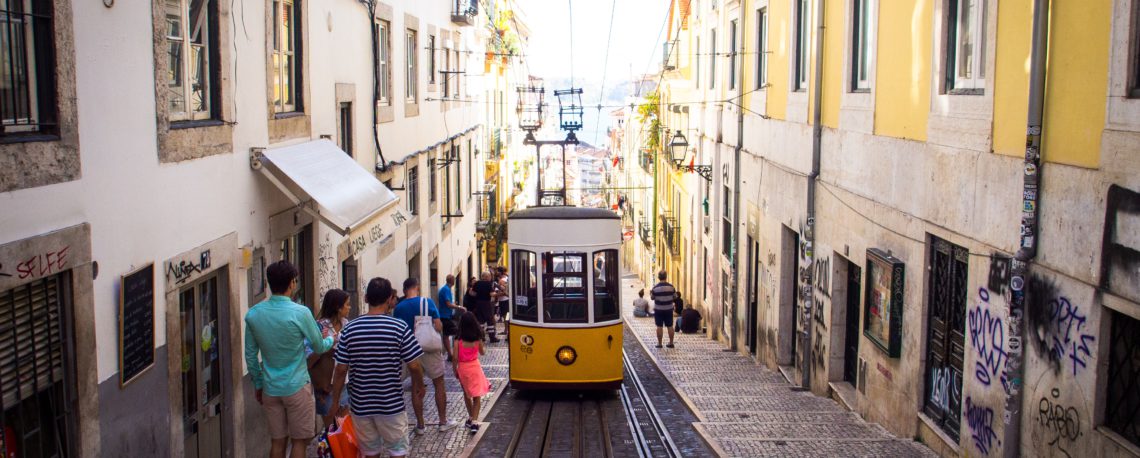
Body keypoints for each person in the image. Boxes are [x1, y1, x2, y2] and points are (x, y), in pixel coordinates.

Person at [326, 278, 425, 458]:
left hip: (361, 406)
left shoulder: (350, 330)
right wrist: (419, 385)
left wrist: (334, 402)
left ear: (365, 298)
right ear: (389, 299)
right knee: (398, 452)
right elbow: (414, 365)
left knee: (370, 454)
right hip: (391, 406)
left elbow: (340, 370)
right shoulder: (399, 327)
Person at [244, 260, 334, 458]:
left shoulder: (253, 314)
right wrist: (330, 339)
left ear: (269, 284)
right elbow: (319, 346)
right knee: (299, 442)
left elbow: (250, 356)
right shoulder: (300, 313)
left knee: (277, 442)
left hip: (270, 388)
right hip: (296, 386)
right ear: (292, 283)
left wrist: (259, 384)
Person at [392, 278, 459, 434]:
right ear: (417, 287)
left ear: (404, 290)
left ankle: (420, 425)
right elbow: (438, 325)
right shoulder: (427, 302)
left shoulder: (399, 308)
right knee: (439, 384)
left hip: (410, 351)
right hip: (429, 349)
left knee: (416, 386)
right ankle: (443, 422)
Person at [309, 289, 351, 419]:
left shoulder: (347, 325)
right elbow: (309, 361)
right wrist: (324, 347)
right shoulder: (318, 327)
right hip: (325, 383)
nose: (349, 308)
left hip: (344, 382)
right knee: (330, 426)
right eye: (347, 304)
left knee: (344, 425)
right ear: (338, 307)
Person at [452, 312, 491, 434]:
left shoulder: (458, 340)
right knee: (477, 396)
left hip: (463, 369)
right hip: (475, 367)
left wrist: (455, 370)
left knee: (467, 394)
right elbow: (483, 353)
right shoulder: (477, 339)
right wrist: (482, 344)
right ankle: (474, 422)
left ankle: (470, 417)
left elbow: (455, 358)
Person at [650, 270, 677, 348]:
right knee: (670, 326)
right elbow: (675, 297)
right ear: (666, 277)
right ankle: (671, 342)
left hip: (659, 310)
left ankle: (659, 343)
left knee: (659, 326)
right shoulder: (671, 287)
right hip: (668, 309)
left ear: (658, 277)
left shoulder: (655, 288)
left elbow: (652, 298)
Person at [471, 272, 500, 343]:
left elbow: (473, 293)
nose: (490, 277)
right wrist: (498, 293)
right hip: (486, 303)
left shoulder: (476, 283)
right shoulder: (488, 284)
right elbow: (491, 294)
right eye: (489, 276)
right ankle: (492, 338)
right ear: (486, 277)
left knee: (480, 321)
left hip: (478, 304)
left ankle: (481, 337)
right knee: (490, 320)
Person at [438, 275, 458, 361]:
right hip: (445, 316)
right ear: (452, 281)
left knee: (446, 335)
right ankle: (454, 353)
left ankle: (450, 354)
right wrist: (459, 307)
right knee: (457, 332)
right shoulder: (446, 289)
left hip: (446, 315)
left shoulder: (446, 289)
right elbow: (448, 304)